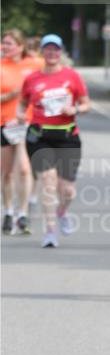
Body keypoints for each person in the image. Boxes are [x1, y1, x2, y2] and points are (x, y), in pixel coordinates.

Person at [18, 34, 90, 248]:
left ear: (61, 52)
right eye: (47, 49)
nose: (51, 53)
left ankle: (62, 211)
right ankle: (50, 231)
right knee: (48, 181)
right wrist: (22, 114)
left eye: (55, 49)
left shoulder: (72, 76)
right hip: (40, 136)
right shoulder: (32, 79)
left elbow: (86, 104)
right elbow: (22, 104)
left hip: (68, 135)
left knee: (67, 190)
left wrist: (75, 109)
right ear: (42, 51)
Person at [0, 29, 41, 235]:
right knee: (6, 172)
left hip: (28, 123)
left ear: (20, 46)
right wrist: (9, 96)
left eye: (9, 44)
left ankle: (22, 214)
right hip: (5, 123)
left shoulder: (34, 65)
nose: (4, 47)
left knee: (25, 169)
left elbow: (49, 85)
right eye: (3, 43)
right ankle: (8, 211)